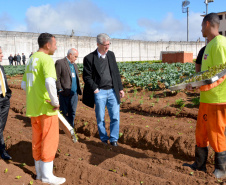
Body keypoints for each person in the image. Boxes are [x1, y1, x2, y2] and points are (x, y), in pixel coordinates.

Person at [21, 33, 66, 184]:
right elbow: (50, 82)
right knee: (49, 140)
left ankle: (39, 174)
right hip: (46, 108)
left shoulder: (31, 59)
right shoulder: (46, 59)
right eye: (55, 44)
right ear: (48, 45)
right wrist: (55, 101)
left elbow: (23, 84)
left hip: (33, 107)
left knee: (37, 139)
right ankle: (48, 177)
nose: (56, 46)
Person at [185, 13, 226, 178]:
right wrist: (195, 83)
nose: (201, 29)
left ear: (207, 24)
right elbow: (207, 73)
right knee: (201, 133)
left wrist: (203, 86)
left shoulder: (220, 44)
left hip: (217, 99)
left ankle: (221, 170)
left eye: (202, 26)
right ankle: (199, 165)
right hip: (207, 99)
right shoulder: (209, 45)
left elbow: (222, 73)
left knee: (217, 134)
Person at [83, 33, 125, 146]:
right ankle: (103, 139)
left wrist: (120, 88)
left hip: (112, 91)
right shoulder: (89, 58)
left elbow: (116, 73)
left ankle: (114, 140)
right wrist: (95, 89)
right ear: (98, 44)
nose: (107, 47)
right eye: (105, 45)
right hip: (99, 92)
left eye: (108, 44)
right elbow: (86, 77)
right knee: (100, 117)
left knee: (115, 117)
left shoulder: (111, 55)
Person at [55, 48, 82, 127]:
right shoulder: (60, 63)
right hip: (64, 92)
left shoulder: (74, 65)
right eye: (75, 57)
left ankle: (71, 127)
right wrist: (60, 89)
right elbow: (57, 77)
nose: (76, 59)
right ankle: (63, 128)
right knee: (63, 111)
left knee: (72, 111)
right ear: (70, 55)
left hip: (74, 93)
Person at [0, 47, 12, 160]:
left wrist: (7, 96)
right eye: (0, 53)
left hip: (4, 99)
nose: (2, 55)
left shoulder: (1, 67)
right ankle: (2, 150)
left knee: (1, 125)